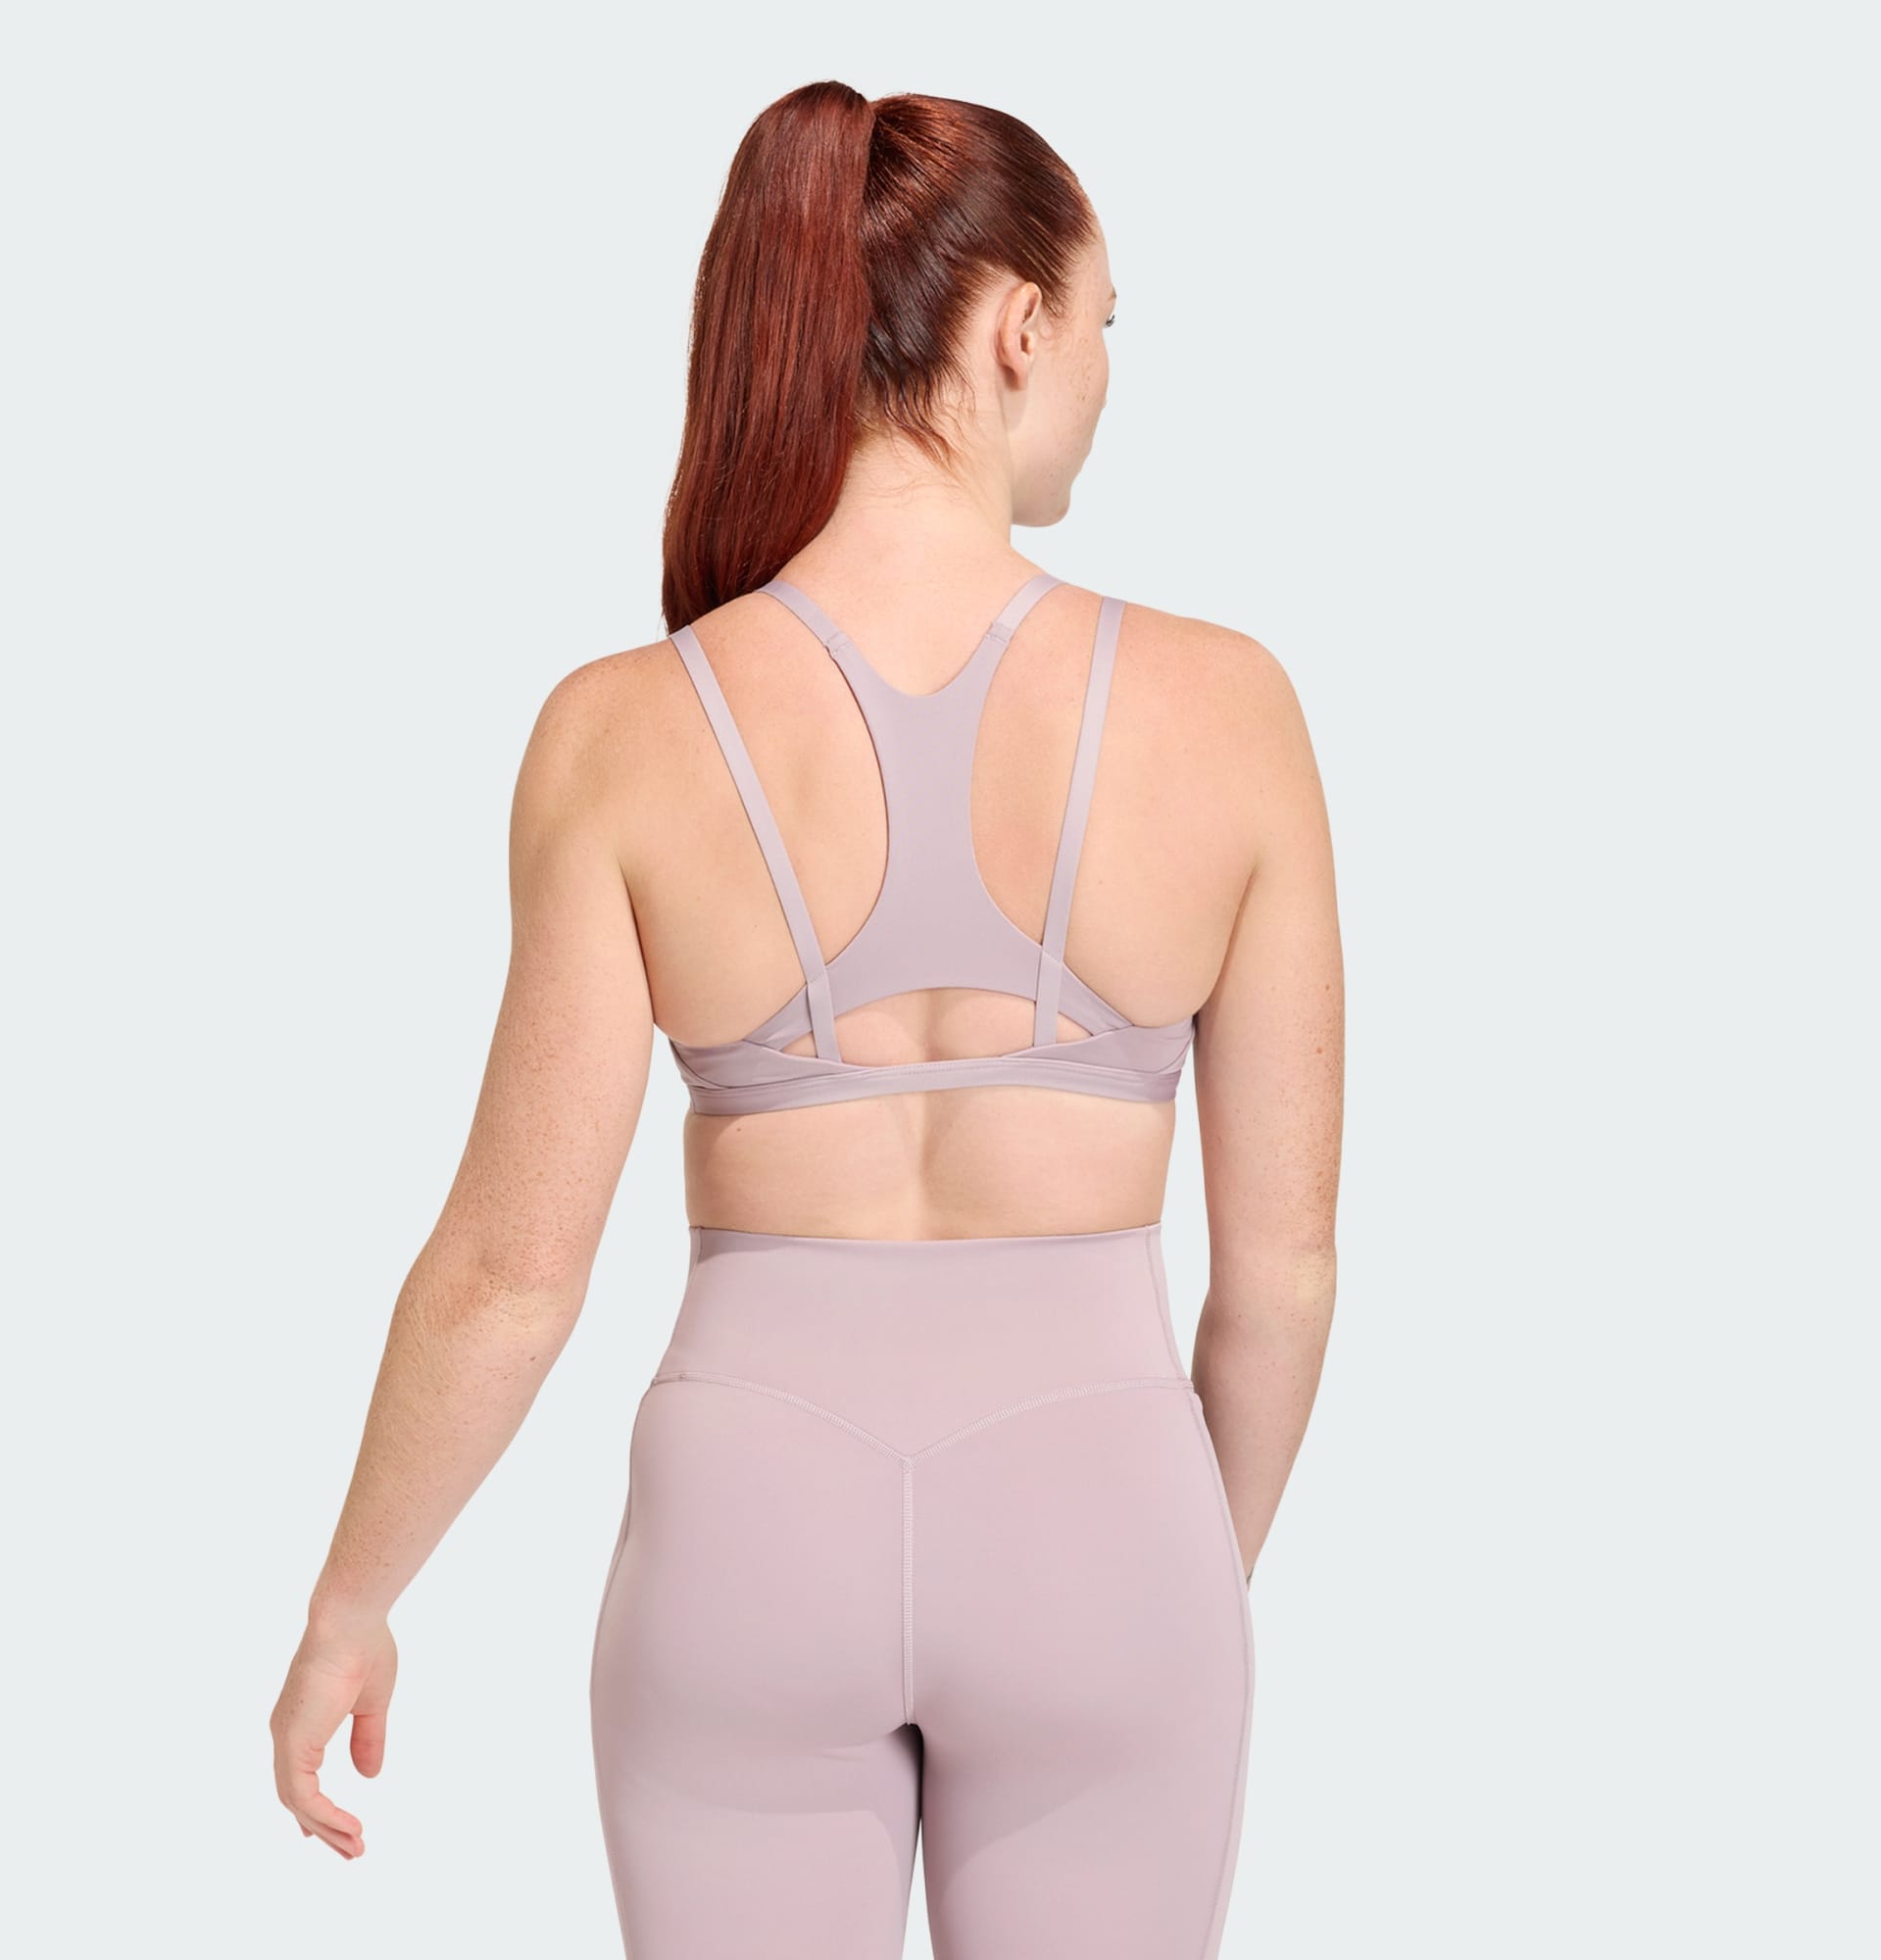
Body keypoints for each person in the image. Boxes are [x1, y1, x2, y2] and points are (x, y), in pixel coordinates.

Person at [270, 77, 1343, 1959]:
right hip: (1105, 1520)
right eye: (1108, 324)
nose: (1108, 372)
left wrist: (351, 1601)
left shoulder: (621, 732)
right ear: (1022, 328)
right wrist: (1168, 1584)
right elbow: (1283, 1282)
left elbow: (509, 1274)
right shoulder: (1228, 710)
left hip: (748, 1541)